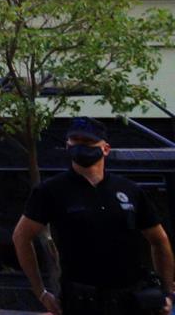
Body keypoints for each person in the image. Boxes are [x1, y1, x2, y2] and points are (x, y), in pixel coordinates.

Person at [14, 118, 175, 315]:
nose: (81, 147)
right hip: (81, 300)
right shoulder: (51, 191)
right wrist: (40, 292)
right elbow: (21, 237)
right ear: (67, 146)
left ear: (105, 148)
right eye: (75, 142)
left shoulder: (129, 190)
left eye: (88, 143)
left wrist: (167, 293)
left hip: (131, 299)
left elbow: (160, 240)